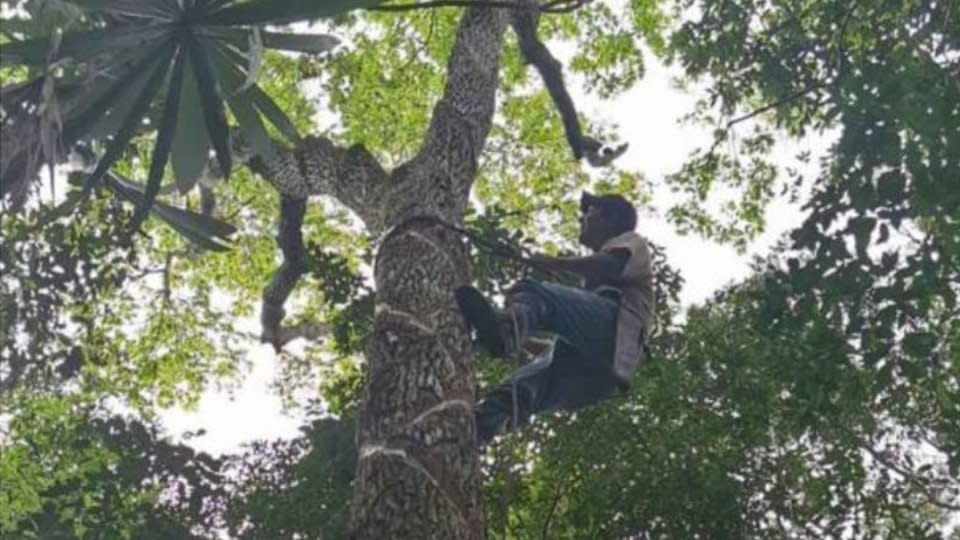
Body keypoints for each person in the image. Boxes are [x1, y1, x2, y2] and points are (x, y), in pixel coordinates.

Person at [456, 191, 655, 445]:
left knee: (535, 294)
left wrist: (555, 263)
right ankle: (480, 429)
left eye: (589, 212)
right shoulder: (595, 287)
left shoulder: (631, 241)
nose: (582, 219)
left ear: (611, 217)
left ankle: (506, 331)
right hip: (604, 375)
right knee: (527, 384)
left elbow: (611, 264)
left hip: (615, 328)